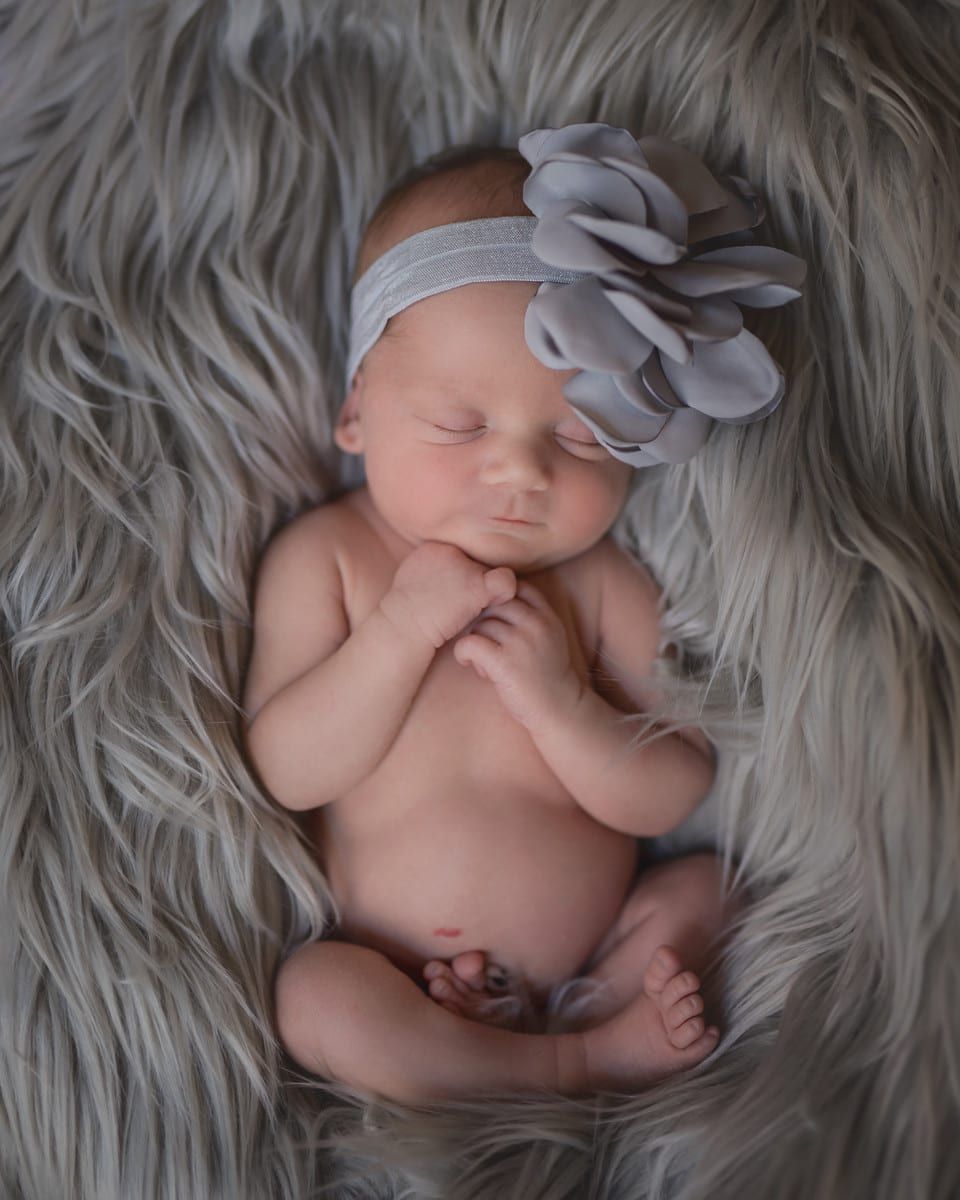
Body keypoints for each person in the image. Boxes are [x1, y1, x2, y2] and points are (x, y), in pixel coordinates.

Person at [241, 123, 805, 1103]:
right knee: (310, 997)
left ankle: (591, 1031)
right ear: (357, 413)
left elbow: (672, 790)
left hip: (591, 962)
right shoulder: (329, 558)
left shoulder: (599, 586)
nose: (520, 472)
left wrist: (562, 708)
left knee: (705, 888)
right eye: (461, 425)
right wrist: (399, 632)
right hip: (389, 970)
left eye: (582, 438)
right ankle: (570, 1066)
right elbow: (286, 767)